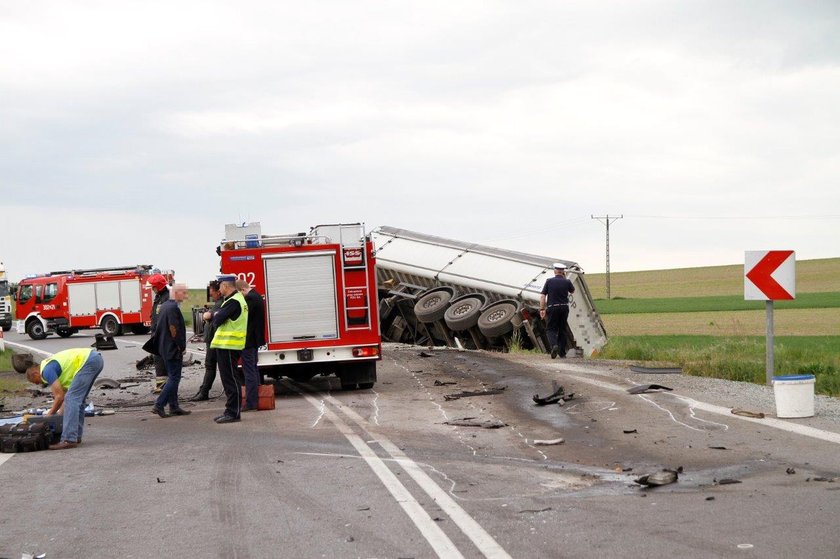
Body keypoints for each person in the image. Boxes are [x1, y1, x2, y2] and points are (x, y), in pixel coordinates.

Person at [14, 348, 104, 450]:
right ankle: (75, 436)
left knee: (72, 399)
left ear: (35, 374)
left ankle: (69, 439)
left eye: (36, 382)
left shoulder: (46, 371)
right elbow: (64, 399)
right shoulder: (51, 368)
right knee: (78, 400)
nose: (39, 384)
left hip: (88, 361)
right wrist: (59, 418)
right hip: (94, 359)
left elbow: (60, 397)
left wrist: (49, 415)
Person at [210, 275, 248, 424]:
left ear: (226, 286)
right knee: (229, 380)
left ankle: (233, 413)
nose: (219, 289)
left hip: (229, 346)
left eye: (220, 286)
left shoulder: (233, 302)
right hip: (226, 346)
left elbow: (217, 320)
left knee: (231, 380)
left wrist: (212, 315)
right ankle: (230, 410)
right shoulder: (233, 300)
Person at [151, 283, 191, 418]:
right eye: (184, 293)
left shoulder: (165, 306)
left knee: (172, 377)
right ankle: (159, 404)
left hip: (164, 347)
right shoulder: (173, 307)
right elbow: (174, 329)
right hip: (172, 348)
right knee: (174, 378)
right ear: (177, 293)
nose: (186, 296)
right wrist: (181, 347)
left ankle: (173, 406)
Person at [236, 279, 266, 411]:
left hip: (249, 340)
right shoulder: (257, 296)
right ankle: (255, 400)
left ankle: (251, 402)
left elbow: (244, 318)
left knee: (249, 372)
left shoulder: (251, 299)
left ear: (242, 289)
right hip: (253, 340)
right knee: (253, 369)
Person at [191, 280, 223, 401]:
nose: (211, 295)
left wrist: (207, 315)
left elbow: (210, 316)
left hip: (215, 341)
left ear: (218, 292)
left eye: (212, 293)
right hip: (212, 340)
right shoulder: (218, 303)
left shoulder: (220, 304)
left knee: (210, 366)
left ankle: (204, 392)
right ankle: (203, 390)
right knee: (210, 366)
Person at [539, 263, 576, 359]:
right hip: (564, 308)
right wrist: (564, 278)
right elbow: (572, 291)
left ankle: (554, 345)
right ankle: (562, 353)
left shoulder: (549, 281)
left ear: (555, 271)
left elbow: (543, 296)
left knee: (551, 329)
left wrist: (542, 309)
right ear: (563, 271)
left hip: (553, 307)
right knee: (562, 329)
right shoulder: (567, 281)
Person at [148, 274, 170, 394]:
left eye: (153, 286)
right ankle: (161, 386)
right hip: (157, 335)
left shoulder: (166, 298)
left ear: (158, 286)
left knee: (162, 362)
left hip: (163, 337)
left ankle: (164, 388)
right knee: (158, 361)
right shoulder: (159, 297)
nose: (152, 289)